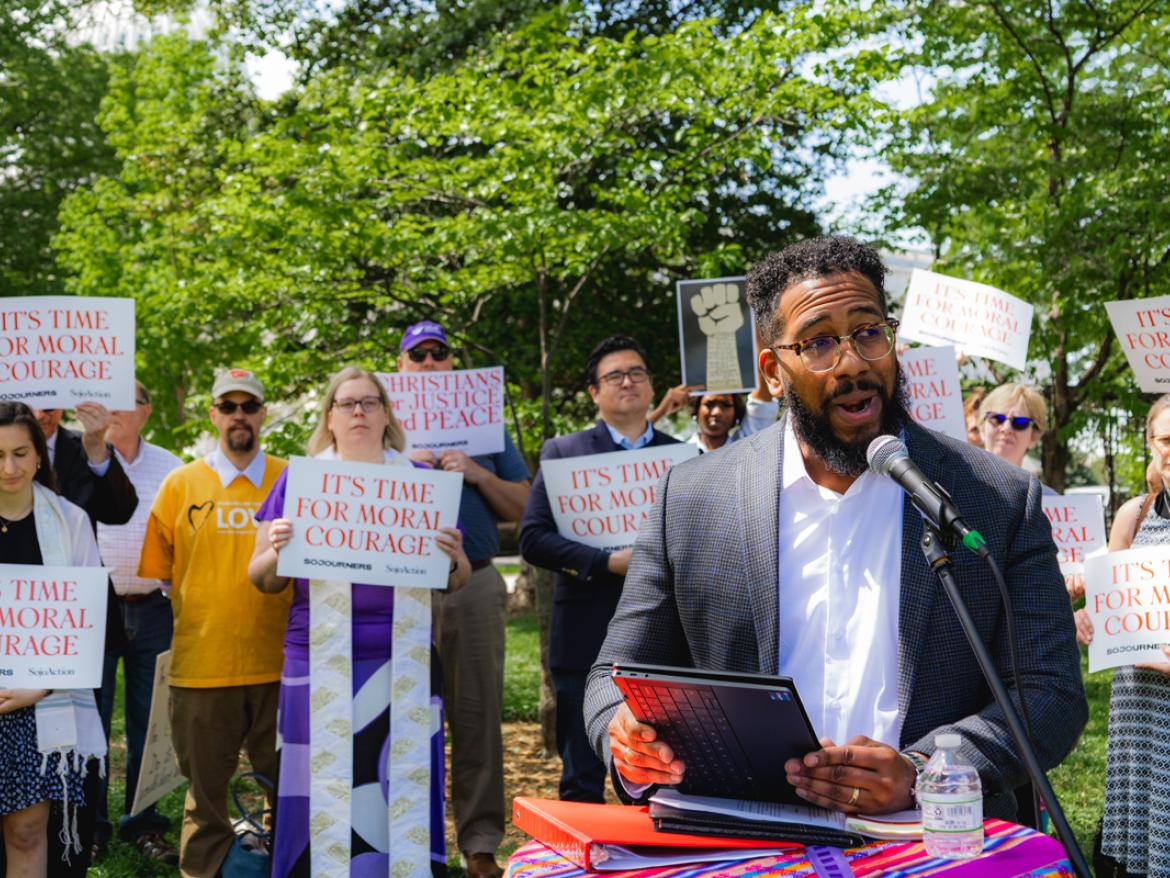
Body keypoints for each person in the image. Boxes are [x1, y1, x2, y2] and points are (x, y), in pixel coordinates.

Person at [584, 236, 1086, 820]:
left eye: (869, 332)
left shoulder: (995, 498)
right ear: (773, 373)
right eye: (819, 342)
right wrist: (626, 738)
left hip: (933, 839)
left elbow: (1049, 695)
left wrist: (924, 774)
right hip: (748, 839)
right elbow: (611, 678)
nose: (853, 363)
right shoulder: (692, 498)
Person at [248, 365, 469, 878]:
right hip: (315, 660)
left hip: (401, 664)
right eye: (347, 404)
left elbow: (454, 581)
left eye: (369, 403)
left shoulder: (421, 485)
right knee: (318, 788)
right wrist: (277, 550)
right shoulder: (301, 481)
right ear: (329, 417)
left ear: (387, 413)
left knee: (395, 783)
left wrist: (454, 558)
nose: (358, 413)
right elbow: (259, 579)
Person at [138, 369, 291, 878]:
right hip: (202, 668)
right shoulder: (180, 484)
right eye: (229, 407)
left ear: (263, 413)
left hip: (283, 666)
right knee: (205, 802)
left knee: (290, 792)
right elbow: (162, 578)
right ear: (214, 415)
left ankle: (286, 866)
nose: (240, 416)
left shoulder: (294, 478)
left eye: (249, 406)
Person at [520, 335, 681, 803]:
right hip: (584, 632)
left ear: (651, 386)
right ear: (594, 392)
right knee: (581, 775)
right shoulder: (563, 453)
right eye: (614, 376)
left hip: (664, 639)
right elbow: (533, 538)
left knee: (662, 771)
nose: (627, 382)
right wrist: (606, 562)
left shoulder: (684, 457)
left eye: (637, 373)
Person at [396, 321, 530, 878]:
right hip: (399, 589)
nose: (428, 363)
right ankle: (409, 839)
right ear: (400, 366)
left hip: (473, 585)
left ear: (452, 363)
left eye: (438, 354)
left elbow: (523, 507)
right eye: (417, 355)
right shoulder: (381, 428)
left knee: (475, 718)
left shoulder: (487, 428)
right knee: (401, 716)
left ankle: (478, 844)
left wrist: (475, 473)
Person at [30, 402, 138, 870]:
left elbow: (120, 509)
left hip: (75, 622)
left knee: (85, 729)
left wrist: (98, 450)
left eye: (52, 405)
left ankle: (83, 829)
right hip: (11, 622)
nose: (43, 414)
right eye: (33, 403)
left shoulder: (83, 444)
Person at [0, 402, 105, 876]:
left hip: (38, 704)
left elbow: (86, 623)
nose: (9, 467)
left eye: (20, 453)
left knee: (26, 832)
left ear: (39, 455)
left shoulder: (70, 523)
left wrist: (39, 688)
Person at [1076, 394, 1170, 878]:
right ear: (1152, 445)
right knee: (1139, 833)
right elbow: (1112, 602)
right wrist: (1090, 618)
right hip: (1137, 706)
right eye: (1166, 438)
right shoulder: (1135, 513)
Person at [96, 382, 183, 864]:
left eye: (123, 399)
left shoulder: (172, 468)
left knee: (151, 723)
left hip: (154, 606)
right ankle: (91, 826)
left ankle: (144, 826)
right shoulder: (82, 460)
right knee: (92, 720)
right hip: (96, 606)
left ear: (145, 411)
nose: (111, 408)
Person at [977, 383, 1052, 493]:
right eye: (997, 419)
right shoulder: (952, 491)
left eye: (1019, 422)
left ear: (1033, 437)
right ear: (982, 429)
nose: (1006, 429)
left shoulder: (1049, 501)